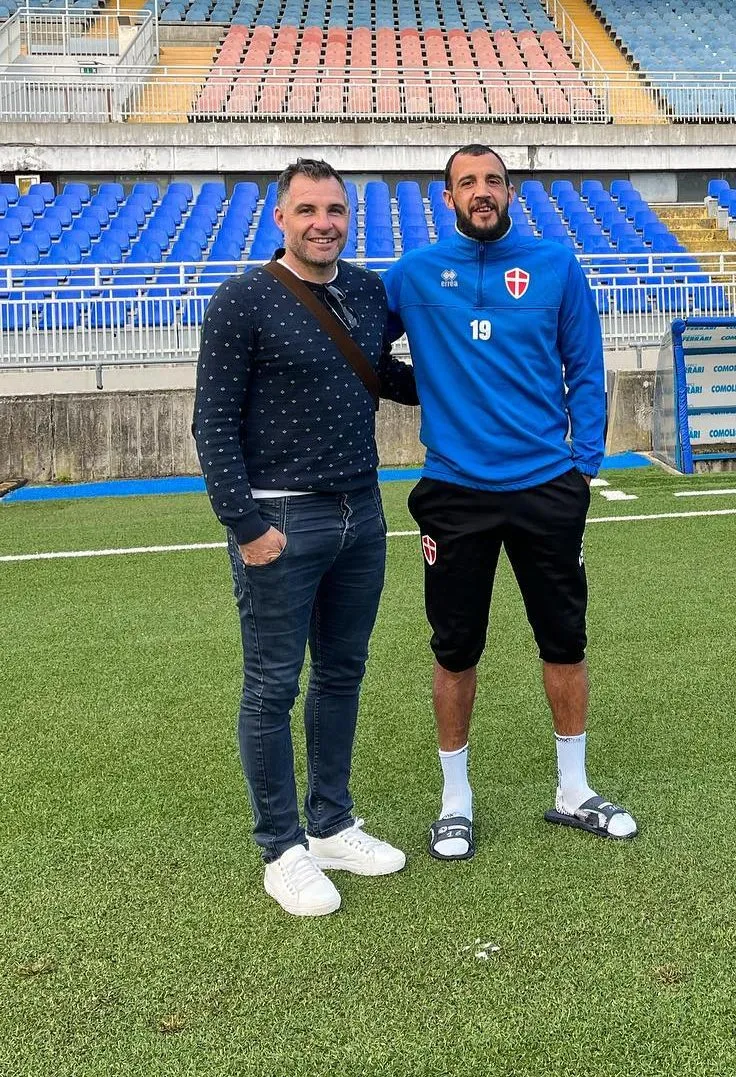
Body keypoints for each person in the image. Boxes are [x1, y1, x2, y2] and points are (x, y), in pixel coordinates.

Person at [384, 144, 638, 860]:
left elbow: (586, 366)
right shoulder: (414, 273)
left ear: (511, 190)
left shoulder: (556, 264)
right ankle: (455, 801)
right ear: (447, 197)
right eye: (468, 182)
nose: (482, 192)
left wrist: (582, 466)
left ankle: (573, 788)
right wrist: (424, 386)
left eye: (493, 180)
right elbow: (361, 350)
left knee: (565, 638)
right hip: (456, 492)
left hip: (546, 487)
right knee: (455, 647)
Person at [193, 159, 418, 917]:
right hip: (280, 516)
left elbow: (383, 375)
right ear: (279, 218)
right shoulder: (241, 299)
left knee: (343, 673)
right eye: (308, 209)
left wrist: (482, 369)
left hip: (361, 507)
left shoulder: (363, 288)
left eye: (335, 209)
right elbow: (213, 422)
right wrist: (245, 525)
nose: (324, 221)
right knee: (271, 686)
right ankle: (281, 848)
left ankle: (330, 823)